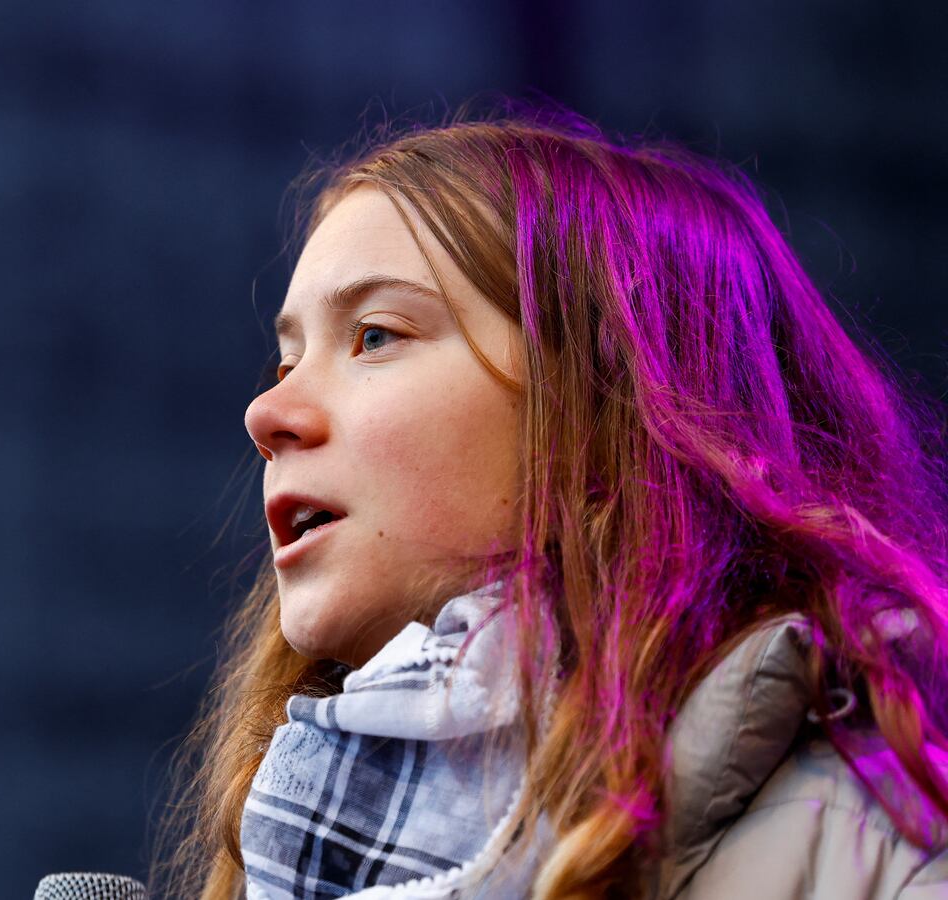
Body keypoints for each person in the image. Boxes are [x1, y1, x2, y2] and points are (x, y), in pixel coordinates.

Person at [150, 103, 948, 899]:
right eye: (285, 366)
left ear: (615, 401)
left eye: (375, 335)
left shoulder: (884, 854)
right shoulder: (285, 835)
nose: (267, 415)